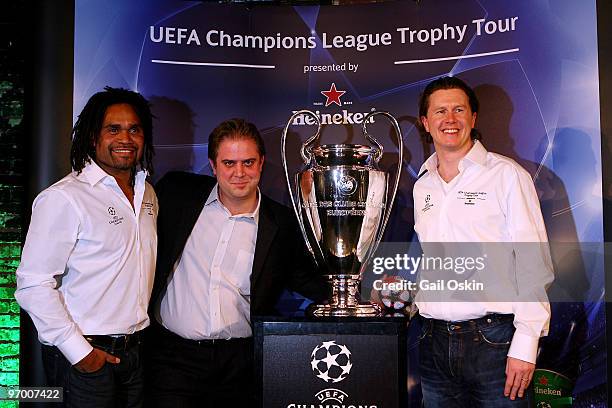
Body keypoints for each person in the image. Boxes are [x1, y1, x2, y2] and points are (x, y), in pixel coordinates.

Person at [145, 118, 329, 407]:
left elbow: (305, 279)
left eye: (248, 162)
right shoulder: (177, 194)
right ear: (213, 164)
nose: (239, 173)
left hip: (240, 366)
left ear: (262, 163)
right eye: (229, 163)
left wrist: (365, 291)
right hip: (172, 360)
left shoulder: (280, 223)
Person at [413, 76, 554, 407]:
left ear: (473, 118)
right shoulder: (423, 186)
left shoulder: (507, 176)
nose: (450, 119)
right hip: (433, 343)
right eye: (440, 111)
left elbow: (534, 264)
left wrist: (526, 342)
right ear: (425, 122)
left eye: (459, 109)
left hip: (495, 344)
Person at [15, 87, 157, 407]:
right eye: (113, 129)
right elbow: (32, 284)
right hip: (86, 359)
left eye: (134, 129)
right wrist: (81, 354)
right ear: (93, 136)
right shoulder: (64, 197)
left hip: (134, 356)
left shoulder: (147, 192)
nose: (126, 138)